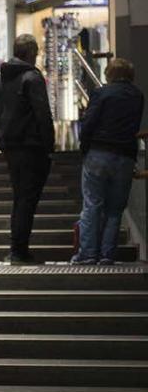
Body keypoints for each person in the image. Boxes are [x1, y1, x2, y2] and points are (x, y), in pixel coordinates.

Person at [73, 58, 145, 265]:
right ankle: (107, 254)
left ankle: (87, 254)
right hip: (125, 156)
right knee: (115, 209)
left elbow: (88, 123)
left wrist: (84, 147)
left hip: (98, 153)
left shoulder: (101, 93)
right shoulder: (137, 96)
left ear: (109, 74)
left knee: (92, 204)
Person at [0, 34, 55, 265]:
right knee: (27, 199)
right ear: (31, 53)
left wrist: (2, 142)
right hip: (32, 148)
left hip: (12, 148)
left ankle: (17, 247)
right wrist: (49, 145)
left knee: (20, 197)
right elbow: (42, 114)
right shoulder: (32, 77)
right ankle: (19, 250)